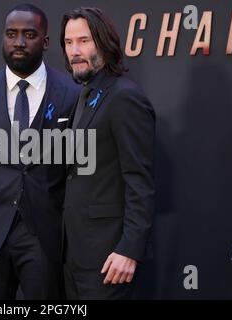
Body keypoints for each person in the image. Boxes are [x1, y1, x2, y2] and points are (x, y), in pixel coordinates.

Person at [0, 3, 79, 300]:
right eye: (11, 34)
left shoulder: (71, 93)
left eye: (29, 34)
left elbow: (80, 171)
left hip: (47, 238)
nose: (19, 42)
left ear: (45, 42)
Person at [60, 7, 155, 299]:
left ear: (104, 43)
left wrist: (129, 249)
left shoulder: (124, 97)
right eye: (68, 42)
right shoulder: (84, 96)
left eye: (84, 41)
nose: (75, 51)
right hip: (76, 258)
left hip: (109, 261)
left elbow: (139, 180)